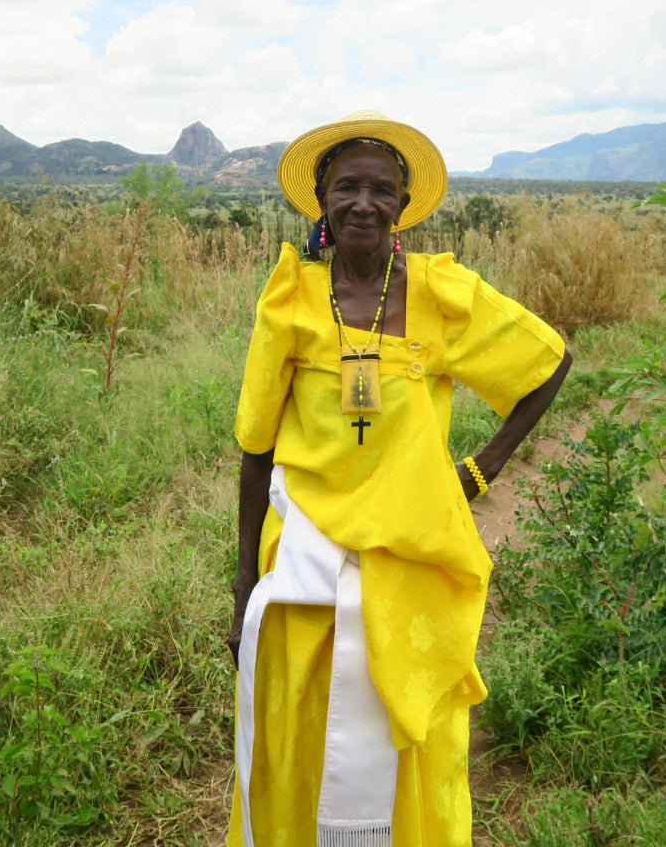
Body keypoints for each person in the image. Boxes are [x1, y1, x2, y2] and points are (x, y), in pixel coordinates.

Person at [226, 111, 571, 847]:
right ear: (320, 197)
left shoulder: (444, 297)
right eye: (346, 185)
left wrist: (483, 468)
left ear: (403, 204)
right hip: (304, 564)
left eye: (381, 189)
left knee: (412, 733)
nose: (363, 202)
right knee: (300, 732)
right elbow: (256, 452)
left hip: (414, 561)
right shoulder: (290, 301)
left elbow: (547, 364)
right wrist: (241, 590)